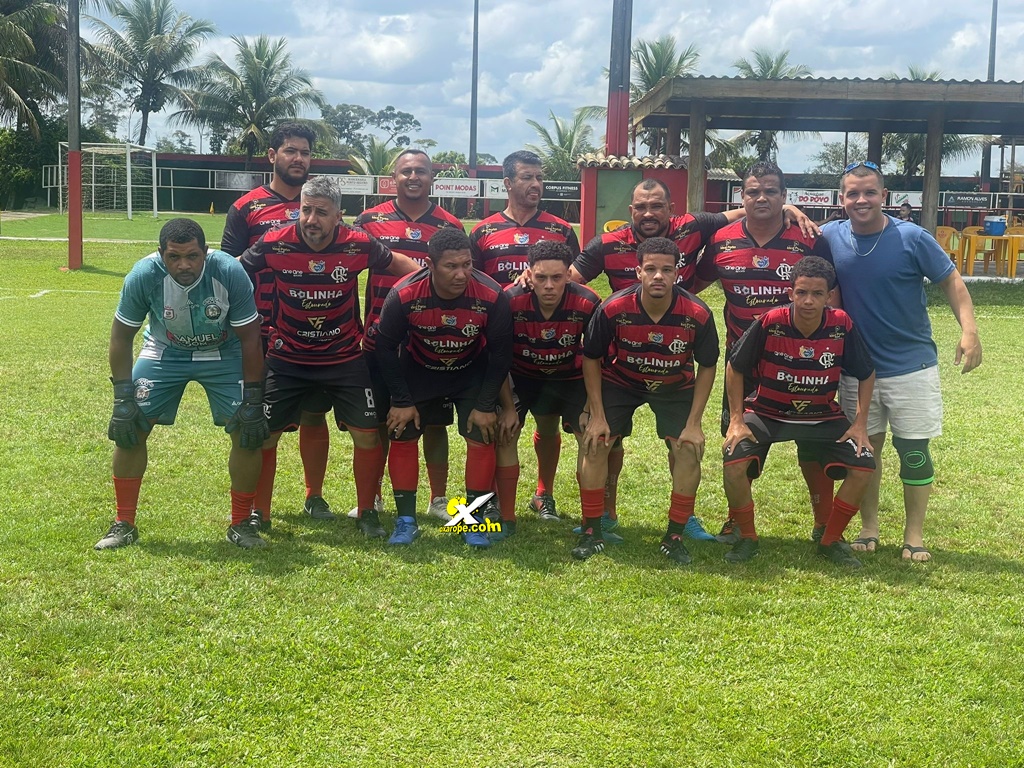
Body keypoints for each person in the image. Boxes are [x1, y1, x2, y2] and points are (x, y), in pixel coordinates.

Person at [569, 177, 818, 541]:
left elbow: (744, 211)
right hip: (619, 365)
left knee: (685, 443)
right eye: (642, 207)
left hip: (675, 365)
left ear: (672, 210)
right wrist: (531, 281)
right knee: (603, 440)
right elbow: (566, 280)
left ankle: (683, 519)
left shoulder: (692, 228)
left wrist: (788, 209)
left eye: (657, 206)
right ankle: (603, 516)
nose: (649, 213)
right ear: (631, 211)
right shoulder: (606, 245)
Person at [239, 176, 421, 537]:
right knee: (265, 437)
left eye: (321, 213)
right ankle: (260, 512)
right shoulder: (274, 241)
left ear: (339, 216)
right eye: (306, 210)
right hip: (287, 357)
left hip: (343, 358)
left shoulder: (357, 243)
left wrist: (431, 279)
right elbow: (233, 269)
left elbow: (399, 263)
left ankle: (367, 512)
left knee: (367, 435)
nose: (311, 220)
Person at [822, 160, 982, 562]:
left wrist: (969, 331)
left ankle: (914, 534)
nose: (861, 200)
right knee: (866, 452)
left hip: (912, 366)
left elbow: (951, 280)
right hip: (858, 371)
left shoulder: (912, 237)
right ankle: (869, 527)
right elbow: (791, 227)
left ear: (884, 196)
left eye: (869, 192)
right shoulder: (830, 235)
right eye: (853, 193)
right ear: (842, 199)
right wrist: (790, 209)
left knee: (913, 453)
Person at [96, 218, 269, 550]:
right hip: (165, 350)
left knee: (247, 431)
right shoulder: (143, 274)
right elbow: (121, 336)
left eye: (192, 256)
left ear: (206, 251)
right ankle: (124, 523)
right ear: (161, 253)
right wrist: (122, 397)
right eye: (174, 257)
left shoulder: (229, 271)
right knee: (129, 425)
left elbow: (250, 339)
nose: (184, 265)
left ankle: (240, 523)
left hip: (224, 351)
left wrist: (253, 397)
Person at [695, 161, 836, 544]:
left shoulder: (809, 238)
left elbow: (834, 301)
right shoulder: (721, 240)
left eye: (771, 191)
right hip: (743, 367)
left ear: (784, 196)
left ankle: (825, 524)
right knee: (739, 445)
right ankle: (737, 523)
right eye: (753, 191)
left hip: (806, 365)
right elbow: (689, 286)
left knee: (814, 447)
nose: (762, 198)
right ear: (741, 196)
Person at [219, 122, 340, 524]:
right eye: (290, 150)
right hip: (259, 331)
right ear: (272, 155)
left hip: (311, 329)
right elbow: (228, 269)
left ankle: (314, 496)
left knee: (314, 413)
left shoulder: (322, 204)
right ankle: (259, 508)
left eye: (305, 152)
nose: (298, 158)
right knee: (259, 418)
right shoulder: (247, 207)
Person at [721, 256, 876, 566]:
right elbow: (734, 367)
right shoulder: (771, 321)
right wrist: (736, 419)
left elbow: (866, 372)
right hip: (767, 413)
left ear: (829, 296)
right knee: (733, 461)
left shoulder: (841, 324)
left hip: (821, 416)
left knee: (864, 466)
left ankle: (830, 540)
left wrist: (860, 424)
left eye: (817, 294)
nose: (808, 301)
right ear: (790, 292)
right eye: (801, 292)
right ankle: (747, 538)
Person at [573, 237, 719, 564]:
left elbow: (708, 365)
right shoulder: (613, 308)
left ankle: (675, 535)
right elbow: (592, 357)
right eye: (650, 269)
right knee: (595, 442)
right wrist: (596, 413)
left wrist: (694, 423)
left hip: (674, 386)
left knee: (688, 448)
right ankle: (592, 531)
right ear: (637, 271)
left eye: (667, 270)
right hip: (622, 381)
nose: (658, 276)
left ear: (678, 273)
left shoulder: (697, 312)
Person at [374, 227, 513, 548]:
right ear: (430, 264)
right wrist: (401, 400)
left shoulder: (491, 295)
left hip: (469, 371)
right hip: (419, 370)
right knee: (402, 431)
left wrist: (486, 404)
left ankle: (473, 520)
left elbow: (501, 353)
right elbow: (385, 347)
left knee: (482, 433)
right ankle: (406, 520)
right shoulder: (404, 293)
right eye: (451, 266)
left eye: (467, 264)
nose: (462, 274)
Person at [469, 149, 580, 522]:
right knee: (503, 425)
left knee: (548, 423)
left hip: (549, 345)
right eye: (527, 177)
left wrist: (539, 281)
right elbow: (472, 283)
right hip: (500, 348)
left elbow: (572, 277)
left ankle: (543, 494)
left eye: (539, 178)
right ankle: (494, 500)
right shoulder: (482, 231)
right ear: (507, 183)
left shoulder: (561, 229)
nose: (536, 184)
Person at [354, 149, 464, 522]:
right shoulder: (369, 220)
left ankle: (438, 499)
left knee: (434, 423)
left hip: (429, 342)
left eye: (421, 171)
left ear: (432, 177)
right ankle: (375, 496)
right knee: (379, 421)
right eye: (406, 171)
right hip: (379, 339)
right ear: (393, 178)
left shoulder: (450, 225)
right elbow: (347, 272)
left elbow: (461, 279)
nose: (413, 177)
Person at [492, 240, 602, 540]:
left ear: (569, 275)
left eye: (557, 277)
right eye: (541, 277)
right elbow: (497, 357)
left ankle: (586, 520)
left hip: (569, 378)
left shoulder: (589, 301)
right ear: (529, 274)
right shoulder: (509, 300)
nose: (549, 285)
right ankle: (506, 517)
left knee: (590, 438)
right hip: (520, 377)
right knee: (505, 433)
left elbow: (598, 357)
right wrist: (508, 407)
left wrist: (591, 408)